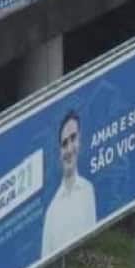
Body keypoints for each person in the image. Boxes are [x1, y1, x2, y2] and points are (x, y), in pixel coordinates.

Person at [42, 109, 97, 259]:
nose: (69, 149)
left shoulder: (88, 190)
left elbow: (94, 242)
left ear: (80, 141)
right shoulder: (52, 212)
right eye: (64, 143)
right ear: (59, 152)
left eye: (73, 138)